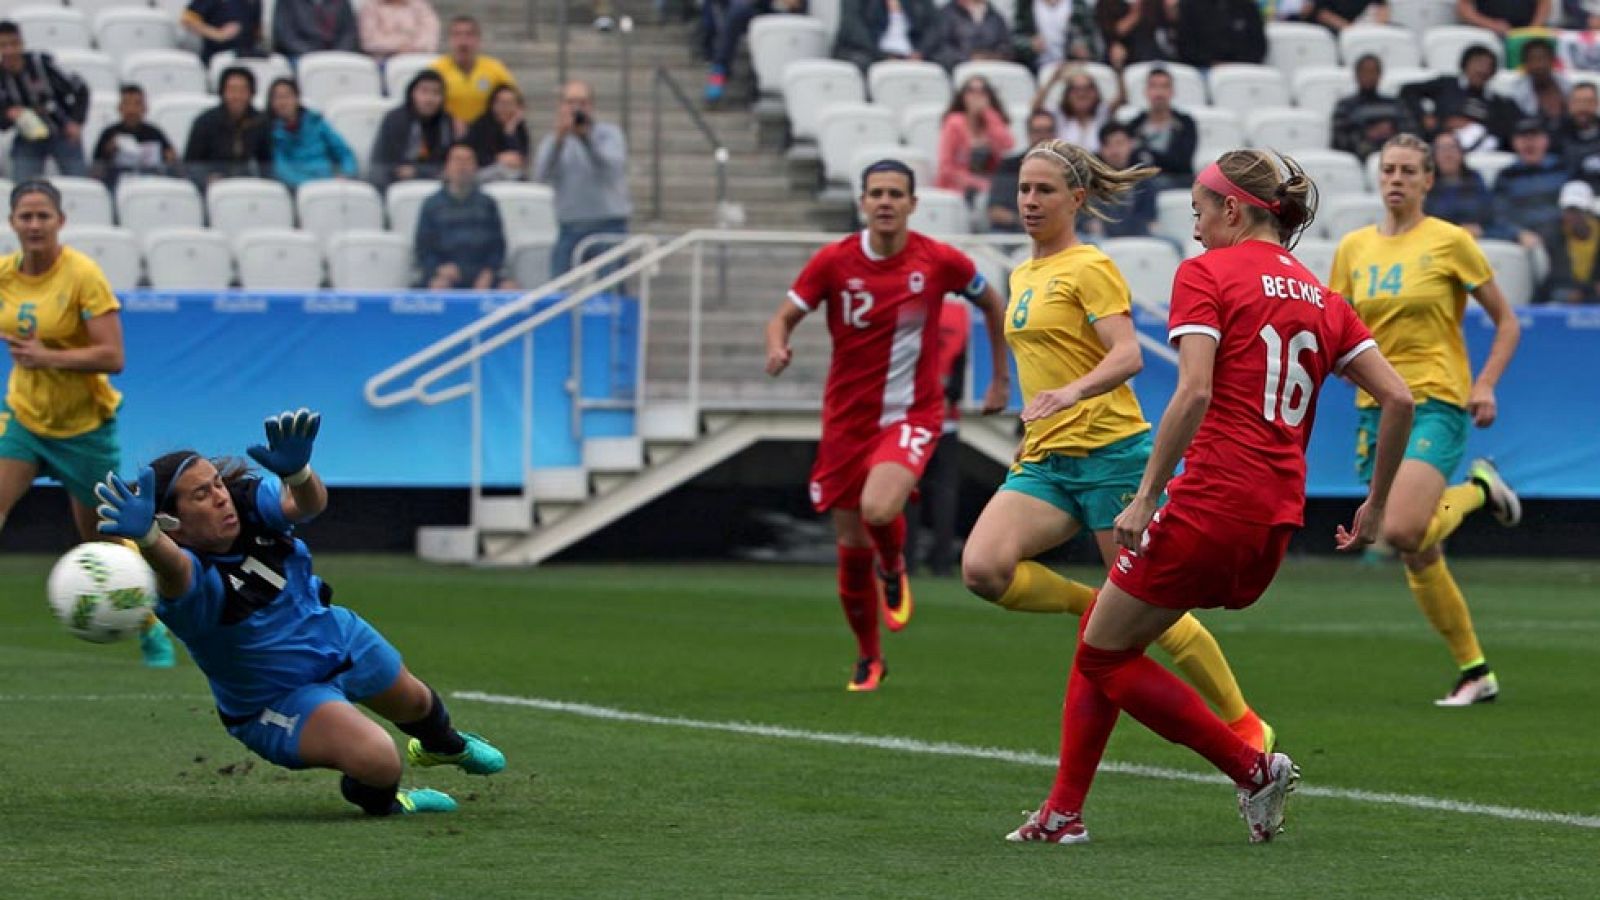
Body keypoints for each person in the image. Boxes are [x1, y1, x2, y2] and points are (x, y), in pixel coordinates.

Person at [1007, 149, 1416, 846]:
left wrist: (1143, 497)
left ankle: (1251, 769)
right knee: (1102, 636)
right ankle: (1062, 813)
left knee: (1103, 655)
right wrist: (1375, 506)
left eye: (1199, 211)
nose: (1194, 228)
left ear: (1233, 209)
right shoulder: (1322, 298)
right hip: (1278, 516)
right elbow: (1399, 397)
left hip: (1211, 500)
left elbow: (1194, 390)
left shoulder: (1205, 274)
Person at [961, 138, 1274, 754]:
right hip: (1048, 461)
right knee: (983, 570)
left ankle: (1244, 720)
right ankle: (1096, 603)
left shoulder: (1090, 267)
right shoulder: (1023, 272)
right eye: (1023, 188)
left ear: (1076, 198)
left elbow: (1128, 354)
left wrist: (1070, 393)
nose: (1029, 200)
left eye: (1044, 190)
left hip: (1111, 456)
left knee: (1155, 608)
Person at [91, 408, 507, 816]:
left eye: (216, 484)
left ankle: (444, 747)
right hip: (278, 699)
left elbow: (306, 505)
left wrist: (299, 475)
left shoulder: (246, 505)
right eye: (202, 495)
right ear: (172, 524)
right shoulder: (187, 582)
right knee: (379, 759)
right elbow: (174, 569)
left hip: (337, 636)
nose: (220, 497)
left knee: (416, 704)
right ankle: (390, 803)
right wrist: (147, 538)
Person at [765, 160, 1011, 691]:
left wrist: (998, 379)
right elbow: (784, 315)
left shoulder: (938, 260)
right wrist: (777, 344)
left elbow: (992, 302)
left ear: (912, 204)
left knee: (880, 507)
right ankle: (868, 656)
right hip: (846, 422)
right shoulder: (833, 262)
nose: (885, 202)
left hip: (912, 412)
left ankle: (895, 563)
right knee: (850, 544)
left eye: (895, 193)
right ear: (862, 202)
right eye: (875, 192)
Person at [1330, 134, 1522, 706]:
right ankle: (1475, 670)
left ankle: (1480, 489)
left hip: (1435, 398)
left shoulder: (1449, 242)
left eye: (1408, 171)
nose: (1396, 179)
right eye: (1388, 169)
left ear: (1427, 180)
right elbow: (1335, 324)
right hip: (1377, 410)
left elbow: (1506, 321)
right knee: (1417, 551)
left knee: (1402, 530)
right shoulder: (1354, 248)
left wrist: (1483, 382)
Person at [0, 180, 174, 669]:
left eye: (43, 216)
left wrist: (46, 355)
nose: (34, 225)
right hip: (24, 418)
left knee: (102, 542)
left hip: (83, 429)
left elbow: (113, 355)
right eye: (25, 217)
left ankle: (147, 624)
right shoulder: (5, 276)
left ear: (60, 221)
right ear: (12, 222)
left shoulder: (82, 276)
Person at [534, 80, 631, 277]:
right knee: (560, 292)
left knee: (610, 292)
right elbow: (540, 176)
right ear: (561, 106)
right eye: (570, 102)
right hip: (570, 226)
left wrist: (586, 139)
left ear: (591, 106)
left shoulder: (609, 134)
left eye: (582, 103)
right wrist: (559, 141)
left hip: (608, 224)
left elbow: (612, 167)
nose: (576, 108)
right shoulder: (552, 141)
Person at [902, 298, 969, 577]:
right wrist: (948, 396)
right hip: (946, 417)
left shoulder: (908, 310)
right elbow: (959, 369)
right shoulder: (958, 315)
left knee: (908, 491)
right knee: (944, 493)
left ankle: (906, 560)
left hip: (912, 416)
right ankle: (941, 562)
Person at [415, 142, 515, 290]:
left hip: (481, 272)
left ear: (476, 167)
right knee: (436, 288)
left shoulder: (487, 204)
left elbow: (498, 247)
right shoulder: (432, 205)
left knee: (511, 289)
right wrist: (439, 269)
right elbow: (423, 248)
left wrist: (488, 272)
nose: (462, 167)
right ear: (447, 167)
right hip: (445, 273)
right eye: (457, 161)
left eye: (468, 161)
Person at [0, 21, 90, 181]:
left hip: (62, 132)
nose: (9, 51)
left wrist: (76, 121)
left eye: (13, 44)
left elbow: (80, 88)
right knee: (22, 189)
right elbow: (3, 125)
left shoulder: (40, 64)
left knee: (80, 183)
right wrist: (8, 114)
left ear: (21, 43)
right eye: (3, 46)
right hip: (28, 139)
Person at [702, 0, 806, 103]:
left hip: (777, 11)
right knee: (737, 10)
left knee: (738, 11)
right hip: (750, 8)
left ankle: (721, 68)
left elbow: (794, 4)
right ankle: (720, 69)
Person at [184, 66, 273, 185]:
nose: (237, 96)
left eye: (242, 91)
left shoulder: (260, 122)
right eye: (232, 90)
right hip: (212, 187)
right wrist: (206, 178)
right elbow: (190, 165)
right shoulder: (204, 122)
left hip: (249, 185)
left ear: (251, 93)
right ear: (223, 92)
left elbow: (267, 165)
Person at [265, 78, 358, 191]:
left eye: (287, 96)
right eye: (278, 98)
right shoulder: (269, 131)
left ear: (297, 98)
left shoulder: (317, 122)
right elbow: (281, 169)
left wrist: (346, 174)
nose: (283, 102)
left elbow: (344, 153)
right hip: (296, 189)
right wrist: (310, 186)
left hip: (329, 183)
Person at [935, 77, 1015, 204]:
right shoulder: (953, 123)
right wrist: (977, 183)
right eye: (971, 91)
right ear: (963, 96)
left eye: (982, 92)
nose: (976, 96)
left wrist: (988, 114)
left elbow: (1007, 148)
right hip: (958, 189)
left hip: (990, 188)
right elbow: (946, 168)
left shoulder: (993, 123)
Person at [371, 69, 453, 190]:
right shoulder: (394, 119)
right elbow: (380, 164)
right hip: (396, 184)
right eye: (424, 92)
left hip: (438, 187)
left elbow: (449, 167)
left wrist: (417, 172)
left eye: (436, 93)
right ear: (412, 93)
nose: (429, 99)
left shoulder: (446, 122)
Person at [433, 16, 518, 131]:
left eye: (469, 35)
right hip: (449, 132)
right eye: (457, 35)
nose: (463, 41)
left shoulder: (495, 69)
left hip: (488, 133)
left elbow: (517, 102)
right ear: (450, 40)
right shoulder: (436, 70)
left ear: (478, 40)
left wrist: (509, 127)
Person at [1331, 54, 1418, 163]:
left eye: (1373, 71)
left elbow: (1411, 132)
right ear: (1357, 75)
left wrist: (1390, 134)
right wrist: (1368, 134)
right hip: (1359, 160)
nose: (1369, 75)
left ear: (1380, 75)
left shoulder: (1395, 104)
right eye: (1365, 71)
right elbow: (1340, 139)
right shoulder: (1345, 106)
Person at [1424, 130, 1509, 240]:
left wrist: (1481, 229)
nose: (1447, 154)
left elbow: (1490, 215)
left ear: (1461, 153)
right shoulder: (1425, 185)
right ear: (1434, 155)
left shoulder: (1475, 180)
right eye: (1442, 149)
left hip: (1476, 240)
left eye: (1452, 148)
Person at [91, 84, 179, 190]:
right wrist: (108, 151)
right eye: (127, 104)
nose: (132, 110)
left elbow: (171, 158)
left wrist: (170, 157)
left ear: (145, 108)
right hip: (117, 185)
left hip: (150, 183)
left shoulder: (154, 133)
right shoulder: (109, 133)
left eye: (137, 104)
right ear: (120, 108)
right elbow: (96, 167)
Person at [987, 109, 1057, 233]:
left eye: (1048, 130)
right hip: (1014, 234)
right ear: (1028, 133)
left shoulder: (1067, 168)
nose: (1043, 136)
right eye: (1038, 131)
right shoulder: (1009, 166)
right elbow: (995, 211)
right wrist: (1026, 221)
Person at [1124, 67, 1195, 187]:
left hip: (1176, 180)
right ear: (1146, 91)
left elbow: (1182, 162)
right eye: (1154, 86)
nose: (1159, 92)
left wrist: (1148, 155)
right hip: (1142, 181)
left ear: (1172, 92)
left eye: (1164, 86)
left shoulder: (1185, 123)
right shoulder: (1134, 125)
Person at [833, 0, 940, 73]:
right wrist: (883, 56)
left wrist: (920, 52)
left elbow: (934, 26)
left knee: (942, 61)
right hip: (870, 53)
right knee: (861, 62)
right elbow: (852, 28)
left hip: (910, 55)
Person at [1035, 66, 1112, 153]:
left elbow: (1122, 99)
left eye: (1087, 89)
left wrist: (1118, 69)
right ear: (1067, 94)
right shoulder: (1060, 116)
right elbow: (1036, 109)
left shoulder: (1101, 114)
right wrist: (1052, 80)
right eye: (1076, 89)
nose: (1081, 94)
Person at [921, 0, 1013, 71]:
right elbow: (937, 49)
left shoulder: (995, 17)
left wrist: (990, 57)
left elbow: (1006, 46)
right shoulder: (945, 15)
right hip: (957, 72)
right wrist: (968, 58)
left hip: (992, 71)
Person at [1548, 180, 1600, 304]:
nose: (1572, 216)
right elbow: (1557, 275)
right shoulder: (1555, 235)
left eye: (1577, 211)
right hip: (1567, 288)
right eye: (1568, 210)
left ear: (1588, 211)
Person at [465, 84, 531, 182]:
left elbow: (520, 157)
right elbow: (476, 155)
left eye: (510, 103)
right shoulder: (482, 124)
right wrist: (498, 158)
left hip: (511, 175)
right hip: (482, 174)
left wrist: (509, 131)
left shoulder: (518, 127)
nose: (505, 108)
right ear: (493, 105)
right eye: (501, 103)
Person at [1012, 0, 1103, 70]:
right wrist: (1029, 45)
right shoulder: (1025, 5)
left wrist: (1083, 48)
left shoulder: (1079, 6)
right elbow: (1014, 38)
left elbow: (1093, 40)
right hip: (1035, 68)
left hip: (1071, 69)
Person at [1095, 0, 1177, 71]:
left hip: (1153, 48)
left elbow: (1169, 22)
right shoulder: (1107, 3)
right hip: (1122, 49)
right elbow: (1114, 31)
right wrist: (1137, 10)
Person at [181, 0, 265, 64]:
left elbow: (257, 29)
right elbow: (188, 19)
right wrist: (217, 34)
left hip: (245, 58)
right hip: (216, 58)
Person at [272, 0, 359, 61]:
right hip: (299, 56)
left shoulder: (342, 2)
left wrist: (336, 54)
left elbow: (349, 33)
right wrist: (313, 55)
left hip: (337, 57)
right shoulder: (287, 2)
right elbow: (285, 35)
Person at [358, 0, 441, 63]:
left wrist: (411, 48)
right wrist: (399, 46)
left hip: (417, 58)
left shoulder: (420, 6)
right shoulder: (370, 7)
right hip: (383, 62)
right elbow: (370, 41)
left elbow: (430, 37)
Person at [1456, 0, 1548, 35]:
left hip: (1526, 32)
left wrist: (1533, 29)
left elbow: (1544, 3)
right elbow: (1464, 8)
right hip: (1488, 33)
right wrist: (1491, 25)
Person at [1310, 0, 1388, 31]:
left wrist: (1377, 29)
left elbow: (1382, 7)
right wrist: (1350, 30)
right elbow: (1322, 13)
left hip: (1365, 28)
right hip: (1335, 28)